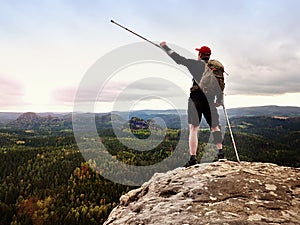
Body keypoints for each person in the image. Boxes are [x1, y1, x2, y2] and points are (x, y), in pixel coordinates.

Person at [160, 41, 225, 166]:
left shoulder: (195, 64)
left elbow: (178, 58)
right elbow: (220, 86)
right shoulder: (215, 69)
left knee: (194, 128)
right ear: (209, 56)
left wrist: (165, 47)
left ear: (200, 54)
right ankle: (221, 153)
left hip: (196, 99)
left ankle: (193, 158)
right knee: (215, 127)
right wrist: (219, 100)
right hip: (210, 100)